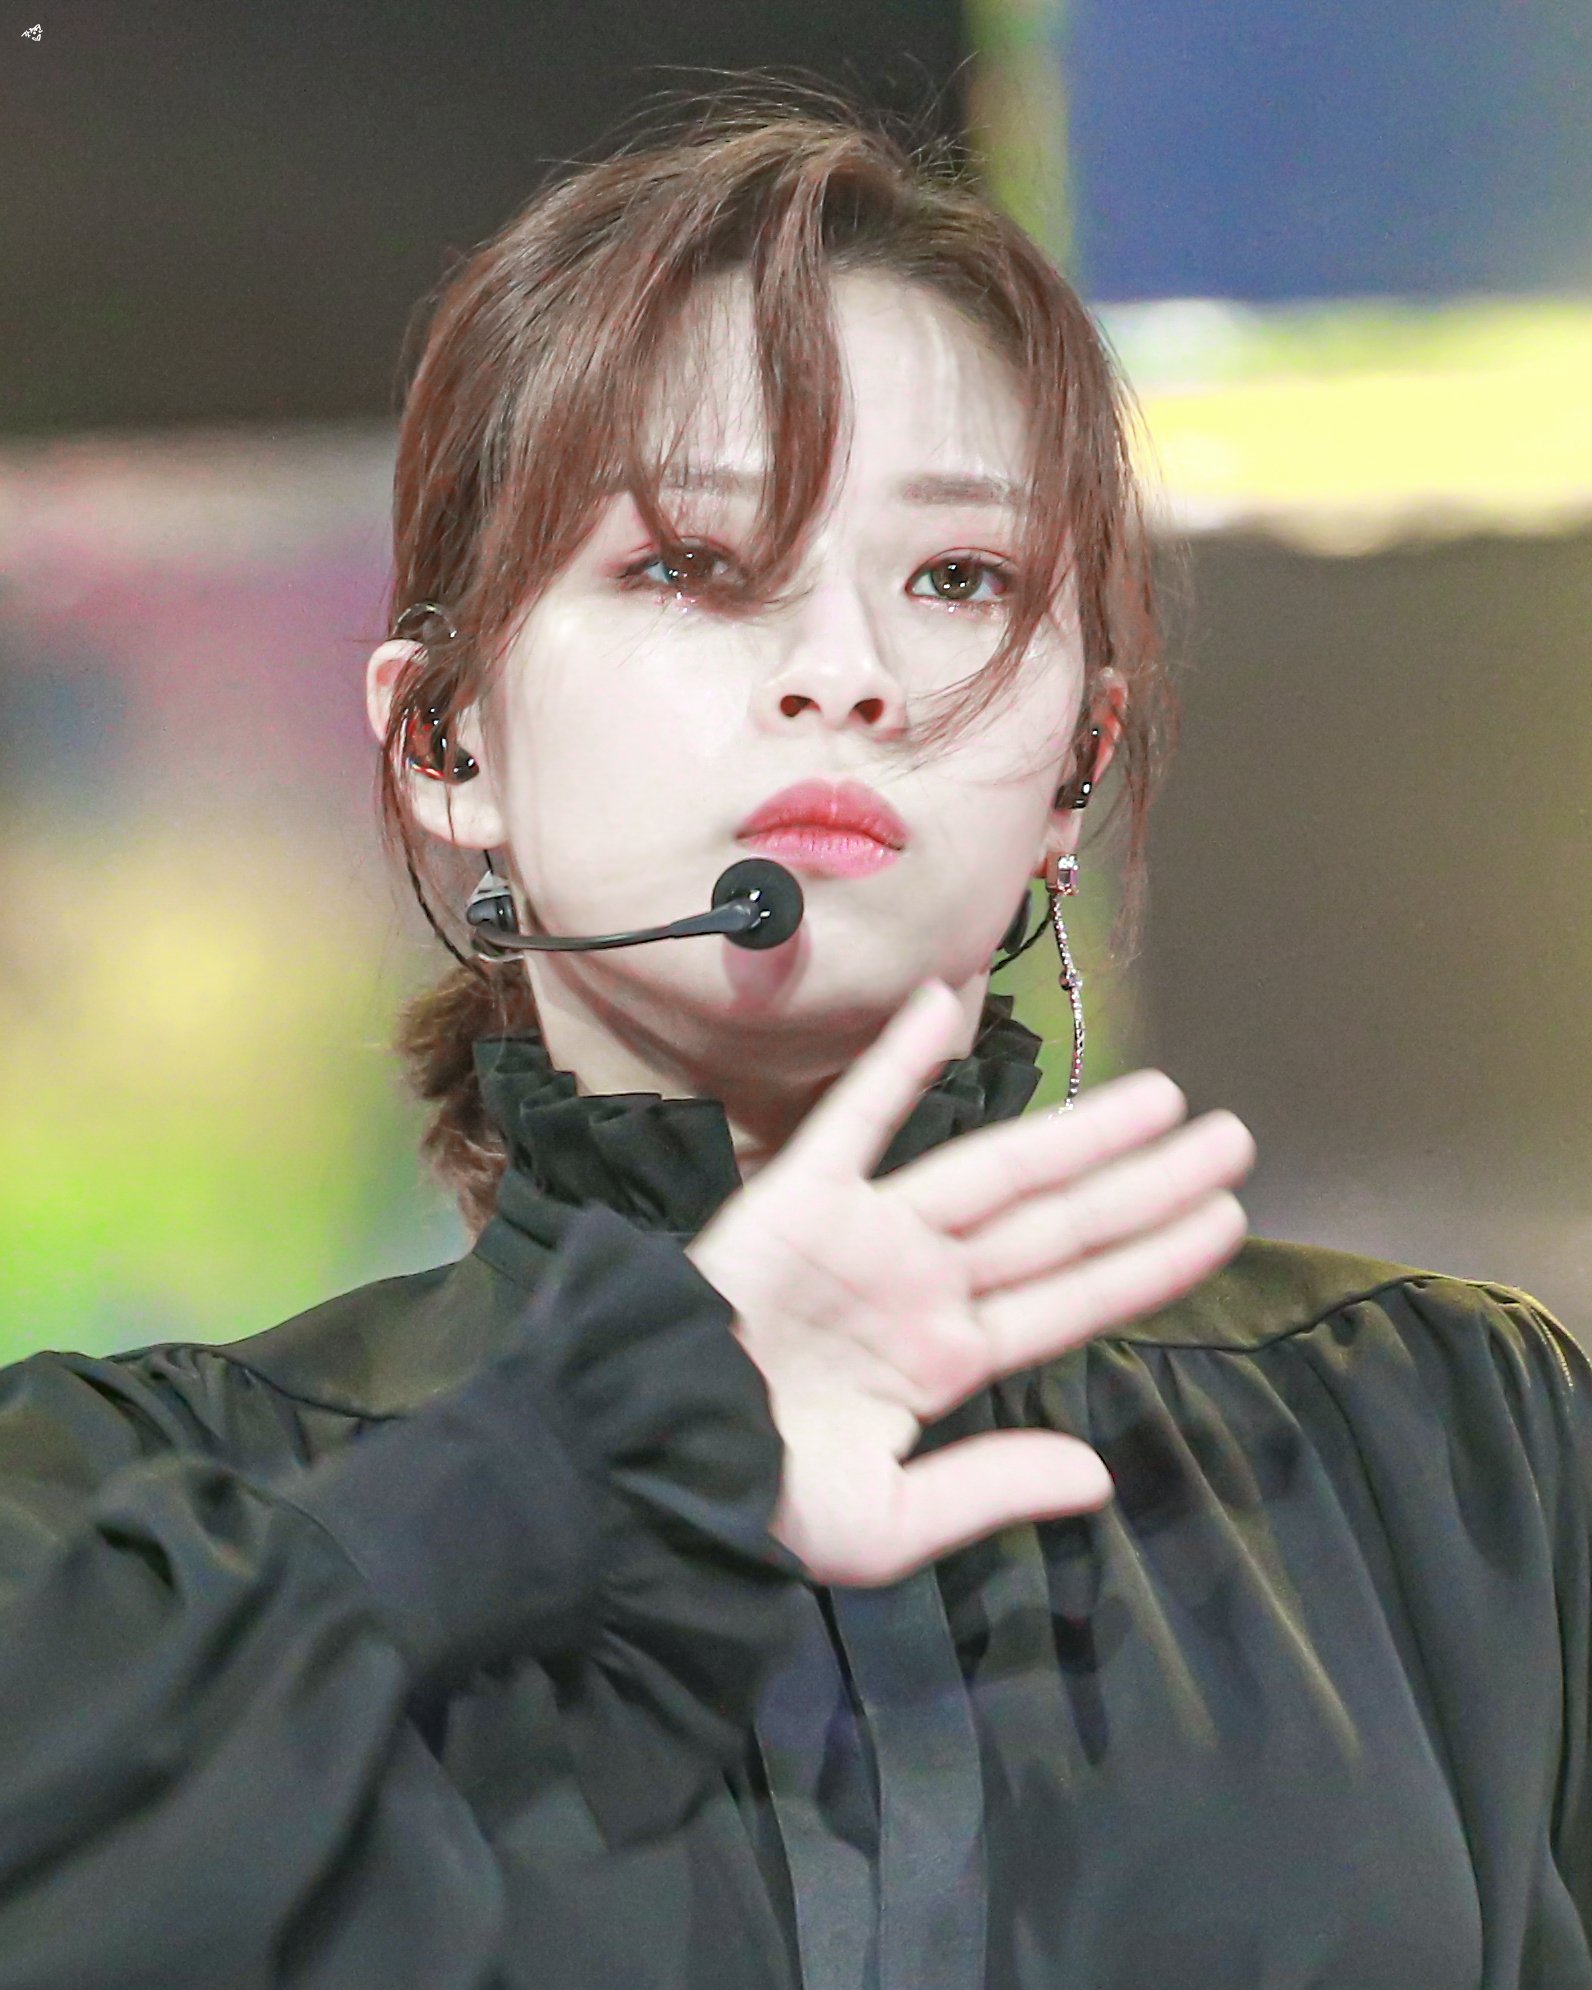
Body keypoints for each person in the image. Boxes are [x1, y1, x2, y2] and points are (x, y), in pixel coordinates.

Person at [1, 89, 1588, 1990]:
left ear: (1077, 766)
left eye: (959, 579)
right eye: (691, 562)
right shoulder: (129, 1499)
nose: (847, 668)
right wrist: (572, 1466)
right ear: (443, 741)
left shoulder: (1444, 1442)